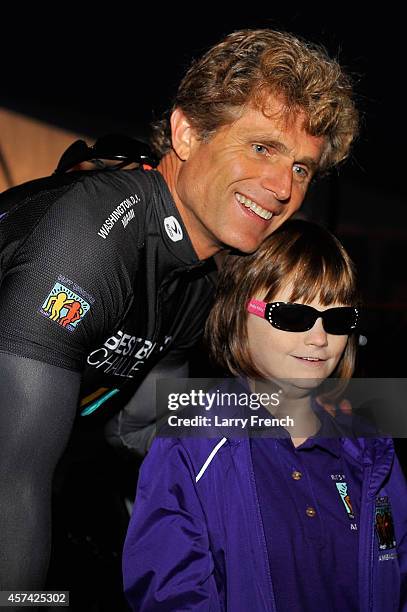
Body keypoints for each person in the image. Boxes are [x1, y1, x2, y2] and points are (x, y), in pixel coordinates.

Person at [0, 29, 358, 589]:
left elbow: (143, 426)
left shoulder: (204, 271)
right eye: (262, 147)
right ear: (187, 133)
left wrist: (316, 459)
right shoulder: (94, 240)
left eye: (301, 168)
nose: (281, 186)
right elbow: (11, 480)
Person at [123, 220, 407, 612]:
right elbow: (171, 596)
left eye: (338, 318)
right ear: (238, 311)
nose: (320, 338)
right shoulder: (192, 445)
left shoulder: (373, 453)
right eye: (292, 315)